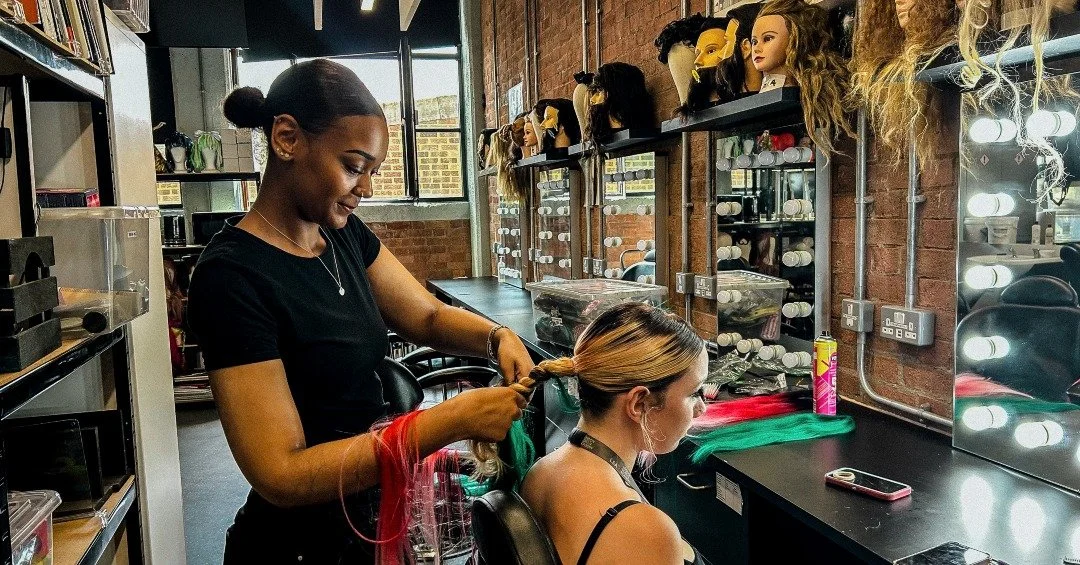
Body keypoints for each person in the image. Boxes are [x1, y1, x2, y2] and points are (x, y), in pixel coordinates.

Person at [186, 58, 535, 564]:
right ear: (287, 138)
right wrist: (445, 422)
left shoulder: (343, 234)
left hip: (368, 527)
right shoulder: (230, 278)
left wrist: (497, 337)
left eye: (372, 172)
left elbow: (427, 317)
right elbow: (280, 474)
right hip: (297, 547)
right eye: (353, 166)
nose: (366, 189)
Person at [520, 303, 709, 565]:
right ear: (639, 404)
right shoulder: (644, 531)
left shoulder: (541, 473)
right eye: (693, 393)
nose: (702, 408)